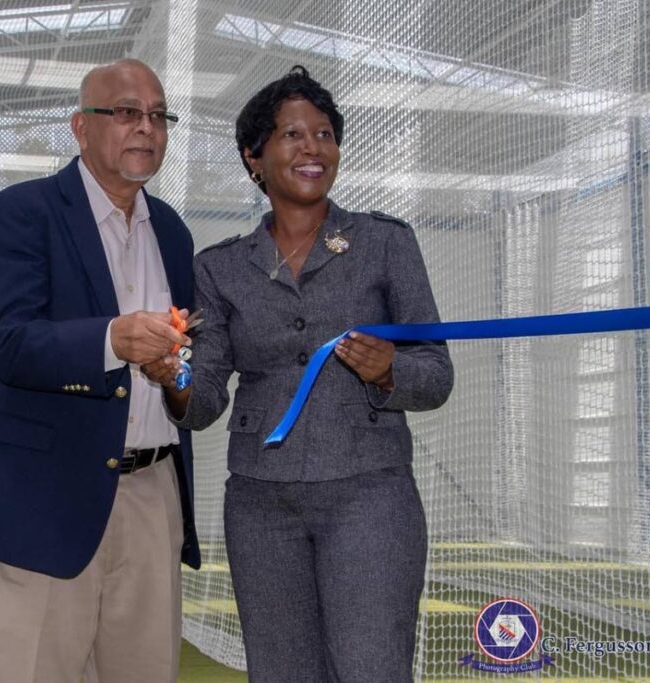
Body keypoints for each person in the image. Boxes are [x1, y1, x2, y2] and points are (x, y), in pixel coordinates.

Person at [144, 66, 454, 682]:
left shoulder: (386, 243)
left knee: (370, 669)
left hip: (371, 494)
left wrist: (390, 371)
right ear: (253, 158)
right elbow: (202, 402)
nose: (313, 147)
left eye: (324, 134)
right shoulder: (221, 267)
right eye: (292, 135)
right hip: (260, 501)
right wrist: (170, 374)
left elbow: (436, 373)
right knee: (281, 671)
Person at [0, 58, 200, 683]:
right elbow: (10, 344)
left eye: (157, 115)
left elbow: (185, 362)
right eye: (125, 112)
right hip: (43, 498)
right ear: (80, 126)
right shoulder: (21, 213)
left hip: (154, 495)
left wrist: (174, 378)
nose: (145, 127)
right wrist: (111, 339)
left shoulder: (173, 232)